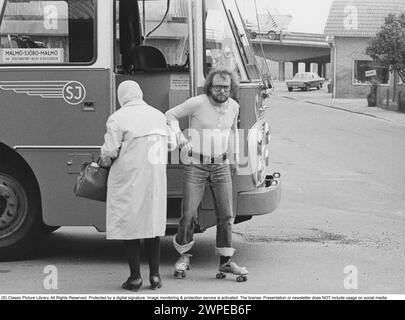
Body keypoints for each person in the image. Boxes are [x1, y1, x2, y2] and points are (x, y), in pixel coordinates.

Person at [165, 67, 248, 280]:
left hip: (221, 165)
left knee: (226, 215)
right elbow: (170, 114)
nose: (222, 91)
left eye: (226, 88)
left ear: (232, 88)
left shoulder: (234, 107)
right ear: (210, 86)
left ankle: (225, 262)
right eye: (218, 87)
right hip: (196, 164)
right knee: (189, 214)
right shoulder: (198, 102)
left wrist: (235, 157)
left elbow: (231, 133)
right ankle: (183, 256)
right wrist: (180, 139)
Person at [101, 80, 175, 291]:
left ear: (121, 96)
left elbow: (109, 152)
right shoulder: (158, 115)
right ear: (140, 94)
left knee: (130, 227)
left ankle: (135, 278)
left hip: (129, 180)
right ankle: (155, 277)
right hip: (154, 180)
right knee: (152, 226)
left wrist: (103, 160)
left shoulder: (117, 118)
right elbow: (172, 143)